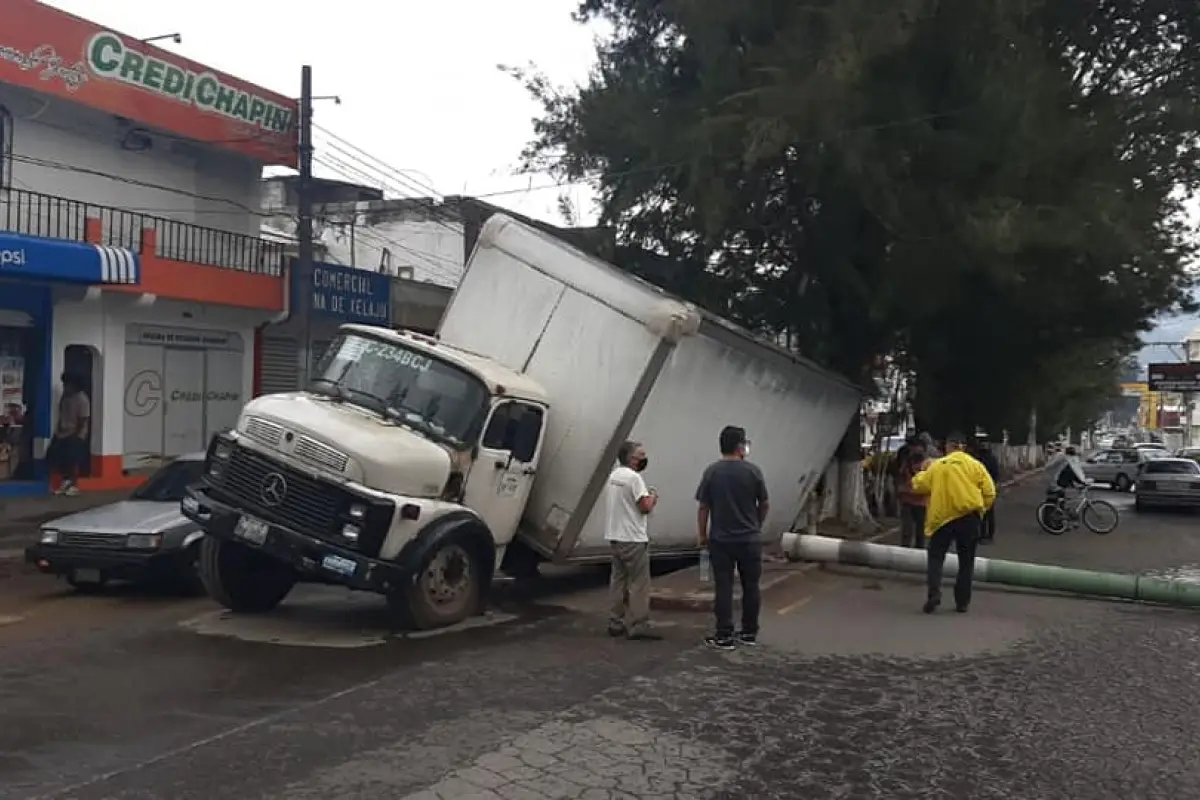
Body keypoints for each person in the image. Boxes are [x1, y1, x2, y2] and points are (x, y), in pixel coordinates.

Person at [696, 425, 769, 650]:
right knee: (751, 586)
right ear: (740, 447)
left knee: (724, 587)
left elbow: (704, 507)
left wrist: (702, 535)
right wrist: (756, 524)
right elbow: (764, 503)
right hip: (749, 539)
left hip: (721, 539)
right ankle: (749, 632)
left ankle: (724, 635)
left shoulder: (712, 472)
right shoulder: (753, 471)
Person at [911, 431, 996, 614]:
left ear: (948, 446)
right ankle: (962, 602)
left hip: (942, 519)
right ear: (963, 447)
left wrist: (922, 470)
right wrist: (981, 510)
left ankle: (934, 593)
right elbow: (990, 492)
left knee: (935, 557)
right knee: (966, 561)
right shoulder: (976, 466)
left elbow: (918, 486)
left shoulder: (938, 466)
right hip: (969, 517)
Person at [604, 439, 662, 640]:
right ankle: (639, 625)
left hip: (615, 536)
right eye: (641, 455)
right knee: (639, 583)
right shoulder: (634, 478)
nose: (644, 458)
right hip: (633, 538)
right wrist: (653, 497)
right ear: (632, 458)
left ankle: (615, 622)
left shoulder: (614, 476)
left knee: (618, 580)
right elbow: (644, 506)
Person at [49, 372, 90, 496]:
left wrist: (76, 435)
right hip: (62, 432)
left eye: (68, 384)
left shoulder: (82, 399)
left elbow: (83, 419)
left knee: (72, 460)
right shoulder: (65, 397)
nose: (66, 386)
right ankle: (65, 483)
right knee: (60, 459)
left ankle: (73, 485)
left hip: (75, 433)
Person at [896, 439, 928, 549]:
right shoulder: (906, 462)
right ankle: (904, 552)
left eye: (919, 447)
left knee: (920, 531)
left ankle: (919, 552)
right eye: (914, 447)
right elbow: (900, 477)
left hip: (922, 502)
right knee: (907, 530)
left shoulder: (927, 464)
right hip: (907, 500)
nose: (916, 450)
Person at [971, 437, 1002, 543]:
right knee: (986, 513)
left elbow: (995, 474)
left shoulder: (982, 459)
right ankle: (985, 535)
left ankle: (986, 535)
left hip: (986, 488)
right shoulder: (987, 458)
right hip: (986, 488)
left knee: (986, 513)